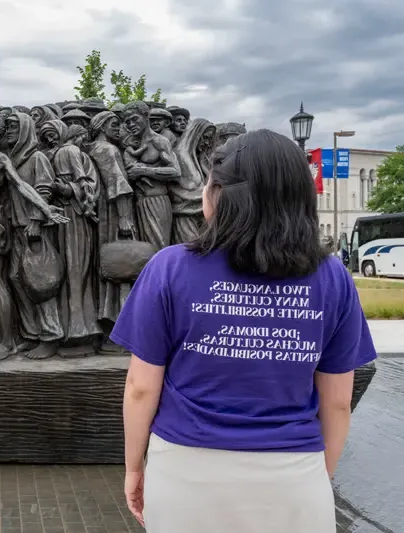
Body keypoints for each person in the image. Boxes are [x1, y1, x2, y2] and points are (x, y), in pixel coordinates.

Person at [111, 129, 377, 533]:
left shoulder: (169, 268)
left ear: (219, 195)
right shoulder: (332, 277)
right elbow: (338, 402)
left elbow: (142, 388)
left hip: (186, 471)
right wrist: (316, 476)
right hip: (293, 475)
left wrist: (134, 467)